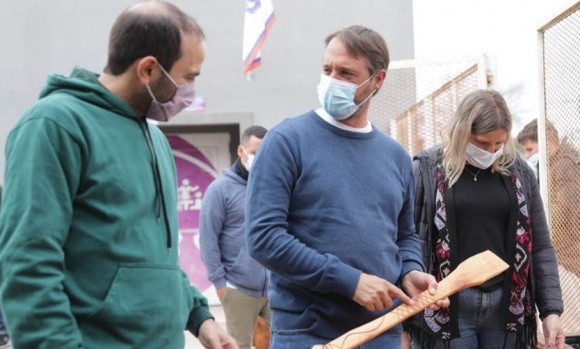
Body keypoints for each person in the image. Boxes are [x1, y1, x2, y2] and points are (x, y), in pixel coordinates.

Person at [0, 2, 237, 348]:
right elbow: (27, 263)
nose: (190, 93)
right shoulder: (55, 126)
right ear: (149, 70)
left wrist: (199, 317)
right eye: (188, 77)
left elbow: (155, 259)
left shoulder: (154, 137)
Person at [245, 25, 448, 349]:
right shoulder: (286, 141)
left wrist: (410, 271)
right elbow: (263, 238)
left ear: (377, 80)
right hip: (306, 334)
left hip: (383, 331)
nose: (332, 81)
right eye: (327, 70)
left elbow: (404, 235)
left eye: (346, 73)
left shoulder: (395, 156)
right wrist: (349, 281)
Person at [406, 89, 565, 348]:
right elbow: (409, 239)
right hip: (448, 307)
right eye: (482, 143)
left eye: (499, 144)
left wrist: (551, 311)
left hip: (506, 309)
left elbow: (541, 245)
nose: (492, 151)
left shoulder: (519, 172)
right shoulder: (425, 169)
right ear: (462, 132)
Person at [200, 125, 271, 349]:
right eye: (254, 152)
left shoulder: (272, 186)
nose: (258, 159)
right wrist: (221, 285)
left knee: (279, 342)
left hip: (274, 288)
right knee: (238, 345)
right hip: (238, 287)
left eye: (264, 153)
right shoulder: (220, 189)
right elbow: (208, 241)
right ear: (241, 151)